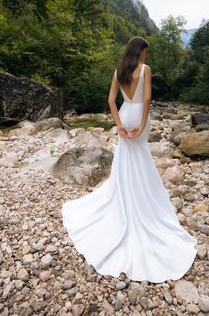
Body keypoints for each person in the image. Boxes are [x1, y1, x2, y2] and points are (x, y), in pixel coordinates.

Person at [62, 36, 197, 283]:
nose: (147, 56)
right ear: (140, 51)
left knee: (126, 157)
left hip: (125, 113)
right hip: (139, 116)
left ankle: (126, 192)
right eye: (146, 52)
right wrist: (142, 124)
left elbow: (111, 100)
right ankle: (143, 197)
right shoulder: (145, 69)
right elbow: (146, 100)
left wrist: (119, 124)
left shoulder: (118, 72)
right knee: (141, 155)